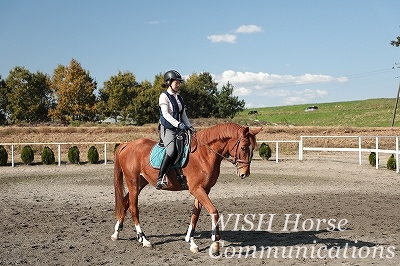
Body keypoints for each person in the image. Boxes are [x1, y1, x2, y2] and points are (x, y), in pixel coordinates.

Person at [156, 70, 195, 190]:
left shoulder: (179, 97)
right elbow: (166, 114)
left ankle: (180, 175)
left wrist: (190, 126)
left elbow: (183, 115)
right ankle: (160, 177)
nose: (178, 85)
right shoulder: (164, 96)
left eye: (179, 83)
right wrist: (179, 125)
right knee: (172, 150)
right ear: (169, 82)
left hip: (179, 128)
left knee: (187, 147)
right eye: (176, 82)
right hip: (167, 128)